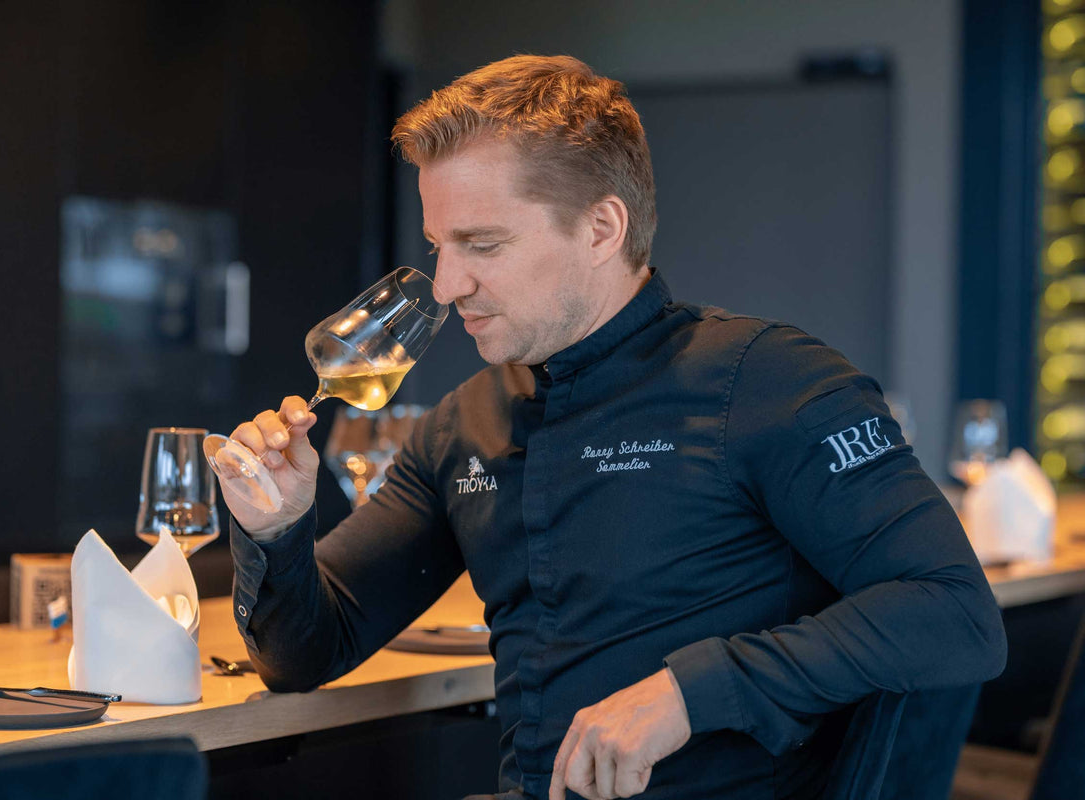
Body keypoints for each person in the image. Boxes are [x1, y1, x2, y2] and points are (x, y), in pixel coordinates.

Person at [216, 55, 1007, 800]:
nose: (448, 285)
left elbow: (954, 613)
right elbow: (303, 653)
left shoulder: (769, 381)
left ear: (601, 228)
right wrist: (275, 529)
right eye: (437, 246)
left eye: (482, 244)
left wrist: (688, 694)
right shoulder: (463, 426)